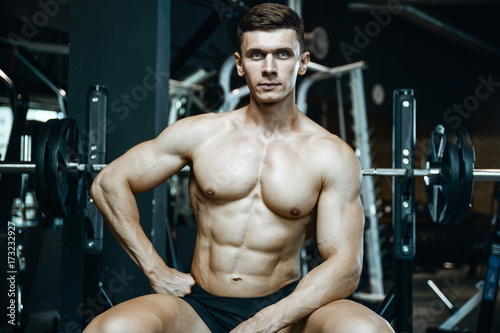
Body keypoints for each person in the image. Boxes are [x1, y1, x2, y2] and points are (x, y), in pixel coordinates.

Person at [84, 3, 394, 333]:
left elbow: (346, 265)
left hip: (287, 306)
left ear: (303, 63)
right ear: (240, 64)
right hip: (201, 306)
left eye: (283, 55)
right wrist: (155, 269)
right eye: (257, 55)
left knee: (368, 330)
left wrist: (271, 319)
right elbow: (108, 183)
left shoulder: (331, 155)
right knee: (109, 329)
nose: (270, 68)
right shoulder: (201, 133)